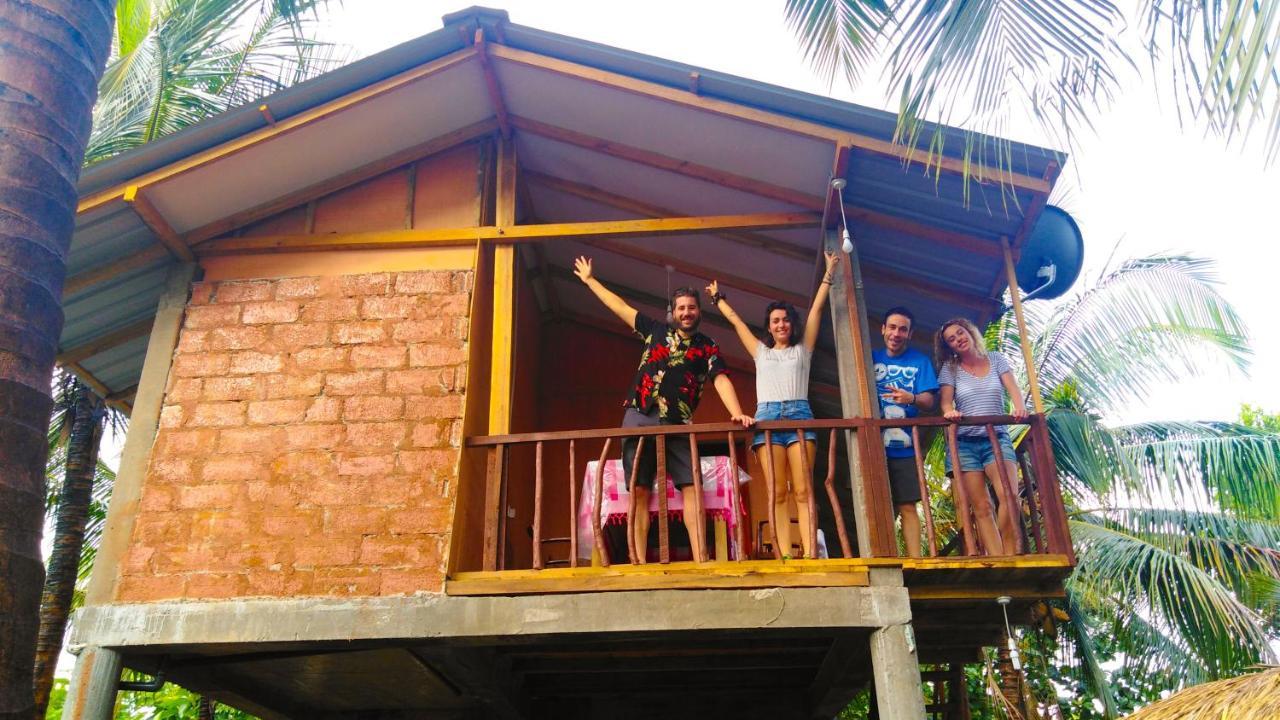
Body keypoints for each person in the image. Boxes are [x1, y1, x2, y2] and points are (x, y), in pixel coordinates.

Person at [573, 256, 754, 564]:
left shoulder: (707, 346)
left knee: (692, 487)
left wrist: (737, 412)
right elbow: (620, 308)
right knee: (639, 490)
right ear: (673, 311)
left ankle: (701, 559)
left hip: (680, 422)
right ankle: (638, 561)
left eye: (692, 308)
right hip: (639, 414)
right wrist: (590, 280)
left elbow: (721, 379)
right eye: (681, 307)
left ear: (699, 312)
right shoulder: (654, 330)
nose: (686, 312)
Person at [707, 250, 839, 559]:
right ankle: (784, 554)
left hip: (799, 416)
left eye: (785, 320)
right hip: (767, 417)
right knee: (778, 491)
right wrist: (717, 298)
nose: (781, 325)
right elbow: (736, 322)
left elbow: (817, 311)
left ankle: (809, 553)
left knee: (804, 490)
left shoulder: (802, 351)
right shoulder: (760, 353)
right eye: (775, 321)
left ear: (792, 324)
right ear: (769, 326)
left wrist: (828, 273)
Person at [934, 317, 1028, 556]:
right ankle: (998, 558)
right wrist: (950, 412)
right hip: (965, 442)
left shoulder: (995, 359)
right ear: (949, 347)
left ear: (970, 332)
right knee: (982, 506)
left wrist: (1018, 407)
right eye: (951, 340)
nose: (958, 339)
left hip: (996, 437)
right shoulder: (951, 368)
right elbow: (945, 402)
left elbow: (1013, 389)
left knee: (1009, 495)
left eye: (960, 333)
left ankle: (1009, 552)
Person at [872, 307, 939, 558]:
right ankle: (885, 557)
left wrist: (910, 397)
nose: (896, 333)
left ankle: (915, 559)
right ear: (883, 329)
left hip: (905, 446)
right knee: (878, 505)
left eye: (902, 329)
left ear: (910, 333)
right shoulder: (870, 357)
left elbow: (929, 402)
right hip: (873, 445)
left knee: (908, 504)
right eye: (892, 327)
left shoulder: (919, 361)